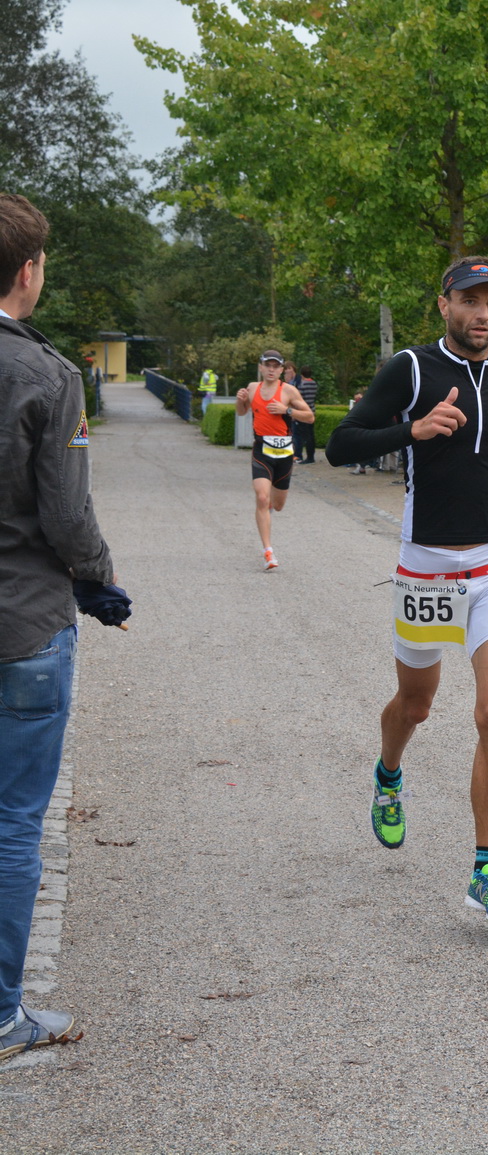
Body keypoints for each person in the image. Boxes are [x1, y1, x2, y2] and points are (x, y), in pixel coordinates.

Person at [326, 256, 488, 920]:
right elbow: (340, 446)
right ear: (444, 304)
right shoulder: (409, 367)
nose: (483, 313)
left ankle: (485, 868)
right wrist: (413, 430)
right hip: (425, 565)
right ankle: (388, 773)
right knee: (416, 704)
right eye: (471, 299)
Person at [0, 193, 127, 1059]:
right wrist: (101, 585)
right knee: (13, 821)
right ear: (29, 270)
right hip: (23, 622)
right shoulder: (47, 375)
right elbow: (68, 516)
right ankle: (5, 1013)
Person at [235, 351, 314, 570]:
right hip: (261, 450)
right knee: (261, 497)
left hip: (284, 454)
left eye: (275, 366)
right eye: (267, 365)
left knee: (277, 505)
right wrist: (240, 401)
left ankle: (269, 507)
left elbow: (309, 416)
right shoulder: (252, 388)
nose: (271, 369)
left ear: (281, 370)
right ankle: (268, 552)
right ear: (260, 367)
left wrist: (286, 410)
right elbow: (242, 412)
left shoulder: (288, 390)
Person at [290, 363, 320, 463]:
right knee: (311, 435)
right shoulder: (314, 383)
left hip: (303, 413)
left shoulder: (302, 385)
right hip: (312, 410)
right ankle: (311, 455)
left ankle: (307, 457)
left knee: (303, 436)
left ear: (302, 374)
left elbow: (298, 399)